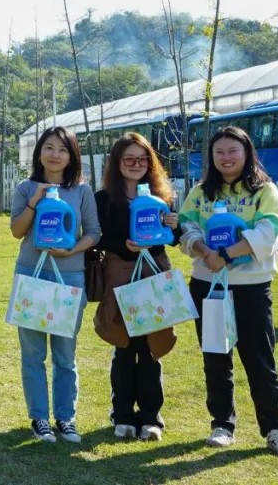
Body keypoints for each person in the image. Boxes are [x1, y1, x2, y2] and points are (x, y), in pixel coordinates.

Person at [178, 125, 278, 458]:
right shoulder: (201, 192)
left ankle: (275, 429)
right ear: (211, 157)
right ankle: (222, 424)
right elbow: (186, 226)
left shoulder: (264, 191)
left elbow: (270, 230)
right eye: (219, 152)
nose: (226, 157)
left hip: (251, 288)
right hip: (208, 285)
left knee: (260, 358)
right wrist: (206, 252)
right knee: (216, 357)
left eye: (233, 150)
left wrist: (227, 254)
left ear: (247, 153)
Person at [9, 126, 100, 444]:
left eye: (62, 149)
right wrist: (34, 203)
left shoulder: (82, 191)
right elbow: (17, 231)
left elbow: (94, 233)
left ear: (71, 156)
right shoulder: (25, 188)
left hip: (69, 276)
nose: (55, 155)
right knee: (33, 354)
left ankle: (66, 418)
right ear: (39, 153)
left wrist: (71, 250)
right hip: (31, 275)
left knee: (65, 354)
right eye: (49, 147)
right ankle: (39, 418)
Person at [92, 132, 179, 442]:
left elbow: (174, 237)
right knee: (124, 345)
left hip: (153, 274)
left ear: (150, 163)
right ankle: (122, 414)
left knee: (151, 347)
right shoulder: (104, 199)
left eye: (142, 159)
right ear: (117, 162)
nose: (135, 164)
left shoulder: (163, 195)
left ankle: (151, 416)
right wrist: (123, 244)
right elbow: (97, 237)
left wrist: (174, 224)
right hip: (121, 274)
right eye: (128, 158)